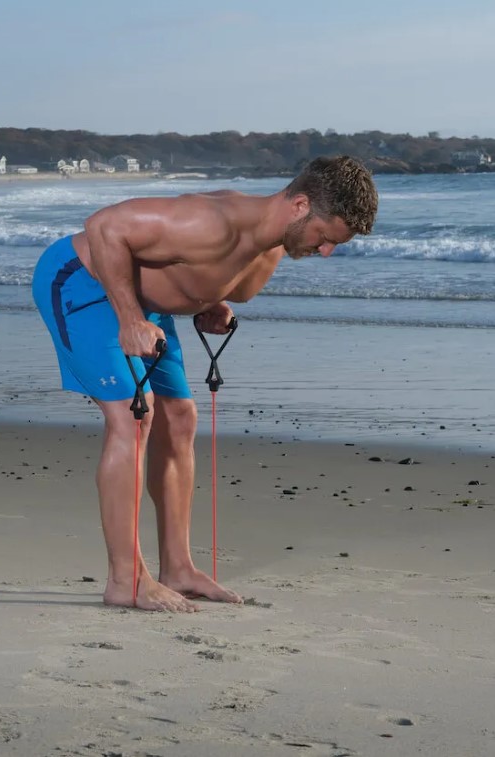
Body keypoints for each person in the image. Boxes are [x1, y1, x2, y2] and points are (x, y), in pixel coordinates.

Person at [32, 155, 378, 612]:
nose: (327, 251)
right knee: (135, 418)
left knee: (179, 418)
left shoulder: (272, 245)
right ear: (299, 205)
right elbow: (104, 227)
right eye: (326, 238)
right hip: (83, 283)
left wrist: (205, 302)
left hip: (142, 300)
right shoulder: (209, 222)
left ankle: (178, 568)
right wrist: (131, 319)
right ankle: (126, 581)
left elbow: (188, 269)